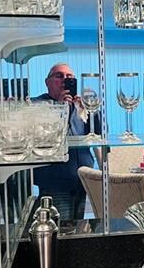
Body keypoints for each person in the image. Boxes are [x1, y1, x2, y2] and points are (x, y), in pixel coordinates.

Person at [33, 63, 101, 224]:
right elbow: (47, 135)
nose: (65, 80)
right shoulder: (38, 104)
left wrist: (91, 110)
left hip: (82, 180)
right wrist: (60, 107)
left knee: (76, 229)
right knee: (59, 229)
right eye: (59, 76)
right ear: (47, 82)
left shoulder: (79, 105)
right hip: (55, 182)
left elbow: (98, 134)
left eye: (70, 78)